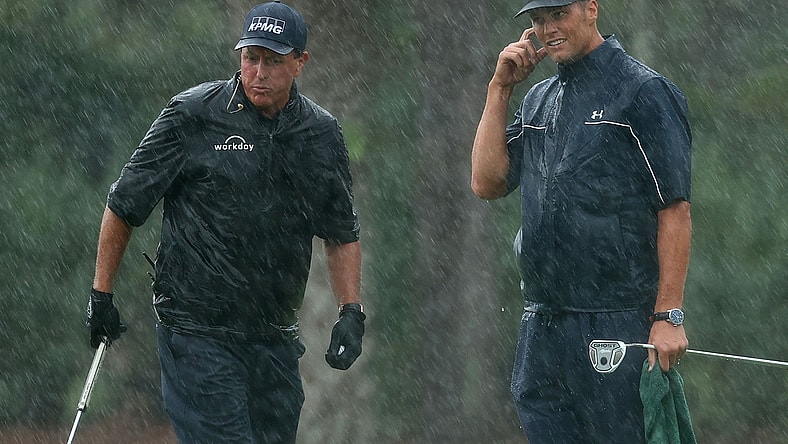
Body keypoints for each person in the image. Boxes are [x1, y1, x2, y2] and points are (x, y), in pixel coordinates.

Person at [84, 2, 365, 442]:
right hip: (197, 334)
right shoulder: (193, 114)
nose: (259, 71)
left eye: (273, 60)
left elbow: (341, 231)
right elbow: (124, 203)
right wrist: (102, 294)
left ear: (300, 62)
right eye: (251, 57)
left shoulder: (320, 134)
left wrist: (351, 311)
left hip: (274, 339)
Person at [471, 0, 691, 442]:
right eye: (538, 20)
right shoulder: (538, 98)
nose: (547, 28)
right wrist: (499, 90)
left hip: (616, 321)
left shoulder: (643, 92)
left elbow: (675, 210)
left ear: (591, 8)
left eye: (558, 14)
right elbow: (487, 181)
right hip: (542, 324)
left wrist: (669, 314)